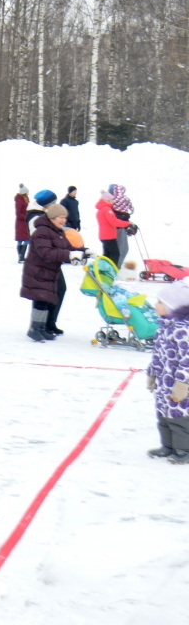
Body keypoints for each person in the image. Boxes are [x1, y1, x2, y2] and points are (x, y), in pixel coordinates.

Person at [20, 203, 82, 342]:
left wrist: (83, 251)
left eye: (65, 218)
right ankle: (34, 328)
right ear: (52, 217)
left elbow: (68, 247)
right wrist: (69, 255)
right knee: (41, 298)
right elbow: (46, 253)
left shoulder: (57, 231)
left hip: (49, 270)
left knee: (47, 299)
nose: (63, 220)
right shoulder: (42, 231)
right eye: (61, 217)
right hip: (38, 270)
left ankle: (42, 327)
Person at [144, 279, 189, 463]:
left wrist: (182, 383)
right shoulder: (164, 328)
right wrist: (152, 373)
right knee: (163, 415)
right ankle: (168, 446)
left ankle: (183, 449)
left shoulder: (182, 331)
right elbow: (158, 355)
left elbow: (187, 360)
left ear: (172, 307)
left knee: (179, 418)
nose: (156, 305)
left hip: (179, 386)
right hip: (163, 383)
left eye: (160, 302)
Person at [96, 188, 131, 267]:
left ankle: (102, 269)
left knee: (107, 255)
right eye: (112, 200)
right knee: (115, 254)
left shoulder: (101, 210)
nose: (113, 202)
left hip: (104, 236)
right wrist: (127, 223)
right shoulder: (107, 210)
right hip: (109, 236)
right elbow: (114, 222)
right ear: (107, 200)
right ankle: (111, 272)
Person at [109, 184, 136, 265]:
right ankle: (115, 267)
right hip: (120, 227)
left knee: (118, 249)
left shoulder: (111, 199)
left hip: (113, 228)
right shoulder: (124, 198)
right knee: (123, 249)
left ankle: (114, 266)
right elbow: (132, 209)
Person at [14, 185, 30, 263]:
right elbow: (18, 213)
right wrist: (25, 217)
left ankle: (21, 256)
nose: (28, 194)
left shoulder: (24, 199)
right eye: (27, 192)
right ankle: (21, 256)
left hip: (23, 222)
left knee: (24, 239)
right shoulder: (19, 201)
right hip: (21, 222)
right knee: (24, 239)